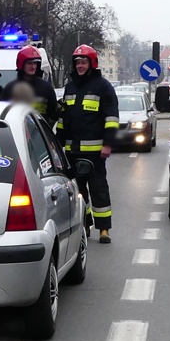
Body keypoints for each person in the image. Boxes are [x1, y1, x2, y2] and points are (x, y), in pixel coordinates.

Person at [56, 44, 119, 244]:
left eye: (83, 62)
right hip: (71, 150)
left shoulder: (103, 87)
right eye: (77, 63)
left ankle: (104, 229)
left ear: (92, 63)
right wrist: (58, 145)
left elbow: (111, 118)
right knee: (78, 191)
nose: (80, 66)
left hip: (95, 152)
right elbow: (63, 119)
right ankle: (86, 222)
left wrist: (108, 144)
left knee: (98, 188)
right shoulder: (70, 87)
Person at [1, 45, 59, 125]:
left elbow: (52, 114)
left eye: (35, 63)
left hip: (40, 135)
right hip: (17, 132)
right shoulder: (10, 89)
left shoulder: (46, 89)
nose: (33, 66)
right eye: (29, 63)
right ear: (21, 64)